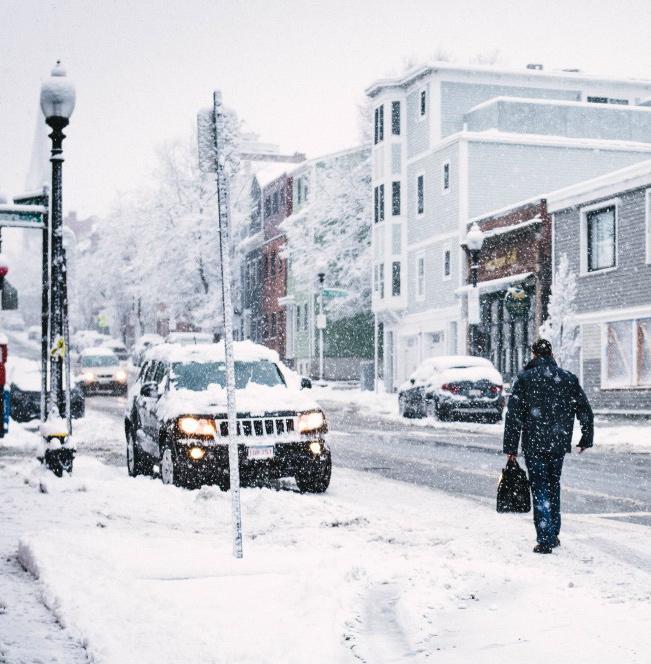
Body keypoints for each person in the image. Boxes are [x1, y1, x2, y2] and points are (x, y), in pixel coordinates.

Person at [503, 338, 593, 554]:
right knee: (553, 485)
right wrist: (586, 438)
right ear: (552, 355)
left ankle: (545, 538)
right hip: (558, 443)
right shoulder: (568, 378)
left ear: (534, 355)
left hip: (534, 443)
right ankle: (553, 532)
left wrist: (511, 448)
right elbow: (584, 410)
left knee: (540, 488)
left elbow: (513, 416)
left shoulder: (525, 379)